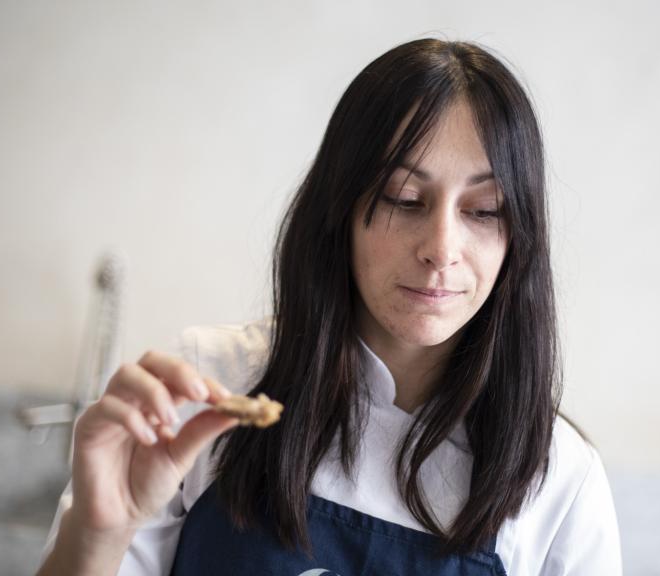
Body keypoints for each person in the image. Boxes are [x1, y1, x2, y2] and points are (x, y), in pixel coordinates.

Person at [37, 38, 622, 575]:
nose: (442, 249)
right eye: (405, 198)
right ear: (339, 207)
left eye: (484, 210)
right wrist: (96, 532)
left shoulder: (560, 482)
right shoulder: (209, 389)